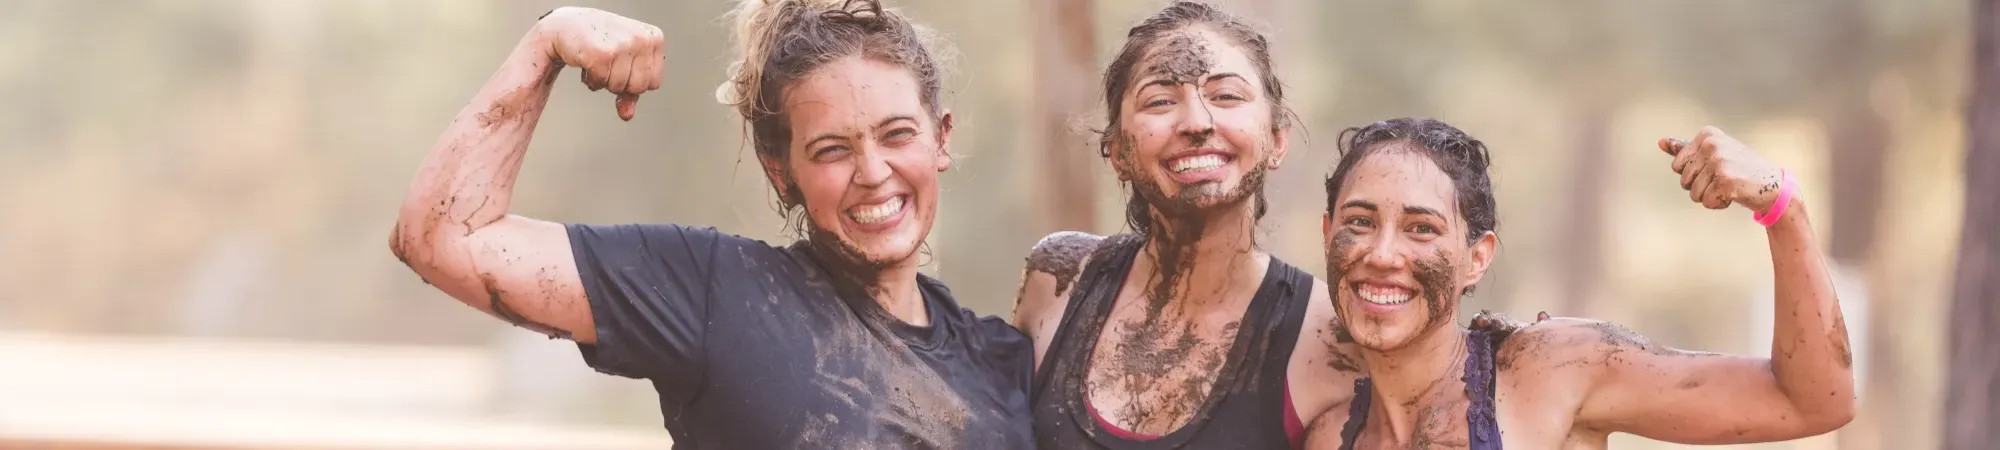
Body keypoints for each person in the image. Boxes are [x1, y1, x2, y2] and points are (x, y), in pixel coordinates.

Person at [387, 2, 1034, 448]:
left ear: (940, 139)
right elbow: (443, 239)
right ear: (780, 170)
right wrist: (550, 40)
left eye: (897, 135)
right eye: (832, 149)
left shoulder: (1003, 362)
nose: (873, 171)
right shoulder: (712, 293)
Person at [1303, 117, 1855, 448]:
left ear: (1477, 258)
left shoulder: (1550, 372)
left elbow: (1812, 401)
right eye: (1359, 222)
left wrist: (1783, 207)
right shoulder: (1329, 436)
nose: (1381, 254)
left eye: (1422, 229)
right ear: (1328, 234)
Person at [1011, 2, 1373, 448]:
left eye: (1226, 96)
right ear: (1119, 152)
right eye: (1160, 101)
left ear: (1276, 140)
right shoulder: (1058, 279)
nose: (1197, 123)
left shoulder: (1333, 337)